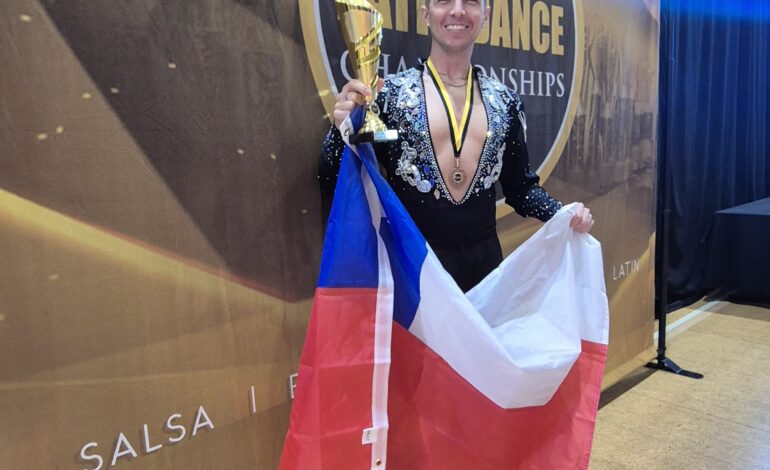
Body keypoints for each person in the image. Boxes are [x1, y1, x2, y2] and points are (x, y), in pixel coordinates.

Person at [320, 0, 593, 292]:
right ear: (425, 14)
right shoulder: (389, 97)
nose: (458, 10)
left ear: (485, 16)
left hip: (485, 279)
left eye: (471, 2)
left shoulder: (506, 102)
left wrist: (563, 213)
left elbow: (521, 189)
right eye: (444, 1)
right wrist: (340, 131)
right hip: (415, 274)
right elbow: (332, 180)